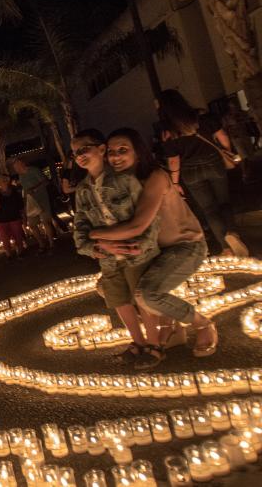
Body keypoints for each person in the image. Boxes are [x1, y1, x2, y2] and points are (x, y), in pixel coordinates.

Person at [90, 128, 218, 369]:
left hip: (184, 246)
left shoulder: (155, 177)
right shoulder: (118, 185)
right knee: (106, 288)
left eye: (122, 150)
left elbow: (137, 225)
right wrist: (103, 244)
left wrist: (92, 236)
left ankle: (202, 324)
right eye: (110, 152)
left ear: (138, 152)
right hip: (152, 252)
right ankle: (172, 328)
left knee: (146, 294)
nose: (115, 157)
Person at [71, 129, 160, 364]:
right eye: (75, 153)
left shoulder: (124, 179)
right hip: (107, 257)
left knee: (141, 297)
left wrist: (142, 245)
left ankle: (154, 344)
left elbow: (148, 215)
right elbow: (80, 225)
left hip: (134, 252)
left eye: (84, 149)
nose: (79, 156)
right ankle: (137, 343)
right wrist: (92, 248)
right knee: (118, 299)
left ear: (101, 149)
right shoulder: (82, 190)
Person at [157, 89, 248, 257]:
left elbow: (174, 160)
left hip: (190, 171)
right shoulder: (202, 117)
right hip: (213, 163)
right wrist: (227, 151)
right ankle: (232, 233)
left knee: (209, 209)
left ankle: (226, 248)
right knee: (224, 202)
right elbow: (223, 136)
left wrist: (175, 183)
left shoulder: (167, 131)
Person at [13, 158, 56, 253]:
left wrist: (34, 189)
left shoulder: (33, 170)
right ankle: (41, 244)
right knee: (32, 225)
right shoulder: (21, 176)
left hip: (42, 200)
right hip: (30, 202)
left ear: (22, 164)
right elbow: (25, 189)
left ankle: (51, 243)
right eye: (15, 168)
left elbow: (45, 182)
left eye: (16, 167)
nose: (16, 169)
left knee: (46, 222)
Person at [0, 175, 25, 260]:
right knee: (5, 238)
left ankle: (20, 251)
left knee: (18, 235)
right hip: (1, 219)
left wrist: (23, 216)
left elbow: (20, 204)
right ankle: (8, 254)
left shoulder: (14, 191)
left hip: (14, 217)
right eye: (0, 182)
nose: (2, 183)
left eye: (4, 181)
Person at [222, 98, 257, 183]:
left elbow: (249, 122)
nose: (234, 106)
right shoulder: (227, 116)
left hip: (244, 135)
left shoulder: (242, 113)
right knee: (243, 156)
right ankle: (245, 175)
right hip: (236, 138)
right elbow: (225, 128)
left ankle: (249, 173)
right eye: (232, 104)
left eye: (234, 104)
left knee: (249, 156)